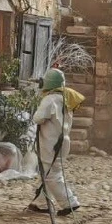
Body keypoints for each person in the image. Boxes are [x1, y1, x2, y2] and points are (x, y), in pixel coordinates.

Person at [29, 68, 83, 215]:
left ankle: (70, 202)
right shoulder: (66, 99)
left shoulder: (50, 99)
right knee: (47, 172)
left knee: (52, 175)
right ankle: (41, 203)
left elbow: (38, 118)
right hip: (63, 140)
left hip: (51, 142)